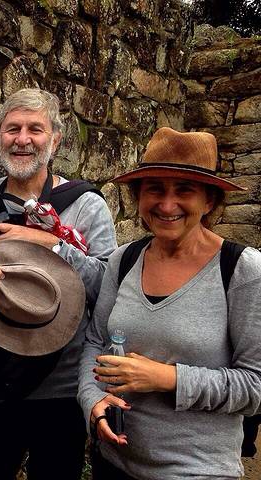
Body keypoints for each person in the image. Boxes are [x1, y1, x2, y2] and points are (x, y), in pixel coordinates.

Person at [0, 88, 117, 479]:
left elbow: (106, 287)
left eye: (35, 129)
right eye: (13, 129)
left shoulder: (86, 204)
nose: (22, 139)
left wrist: (53, 246)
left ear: (55, 140)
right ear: (0, 137)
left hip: (61, 383)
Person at [78, 127, 261, 479]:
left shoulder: (241, 270)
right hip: (113, 462)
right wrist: (92, 400)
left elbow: (255, 385)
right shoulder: (124, 260)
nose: (166, 204)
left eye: (184, 190)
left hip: (196, 470)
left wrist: (169, 378)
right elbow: (96, 341)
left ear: (209, 201)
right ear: (138, 196)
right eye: (155, 189)